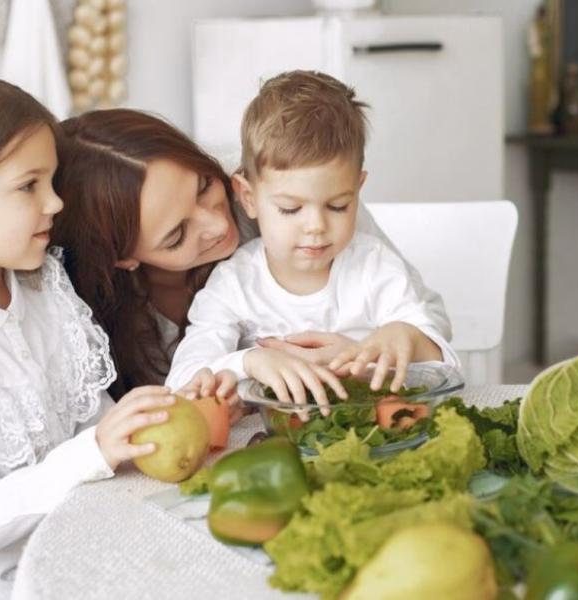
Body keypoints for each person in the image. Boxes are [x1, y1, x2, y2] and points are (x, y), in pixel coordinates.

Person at [52, 106, 452, 403]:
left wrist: (364, 349)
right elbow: (184, 387)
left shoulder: (294, 189)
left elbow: (425, 322)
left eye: (205, 187)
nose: (217, 225)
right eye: (176, 236)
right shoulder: (82, 307)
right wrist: (246, 363)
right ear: (125, 258)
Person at [0, 80, 197, 590]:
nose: (56, 203)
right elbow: (93, 450)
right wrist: (89, 455)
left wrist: (183, 413)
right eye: (29, 186)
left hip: (98, 545)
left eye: (53, 181)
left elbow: (102, 423)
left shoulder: (44, 288)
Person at [166, 70, 459, 413]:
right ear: (248, 197)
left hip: (367, 433)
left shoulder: (375, 266)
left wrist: (410, 338)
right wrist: (250, 362)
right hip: (275, 445)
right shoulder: (235, 283)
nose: (316, 227)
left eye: (338, 206)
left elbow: (446, 370)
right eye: (290, 209)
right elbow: (181, 381)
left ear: (358, 189)